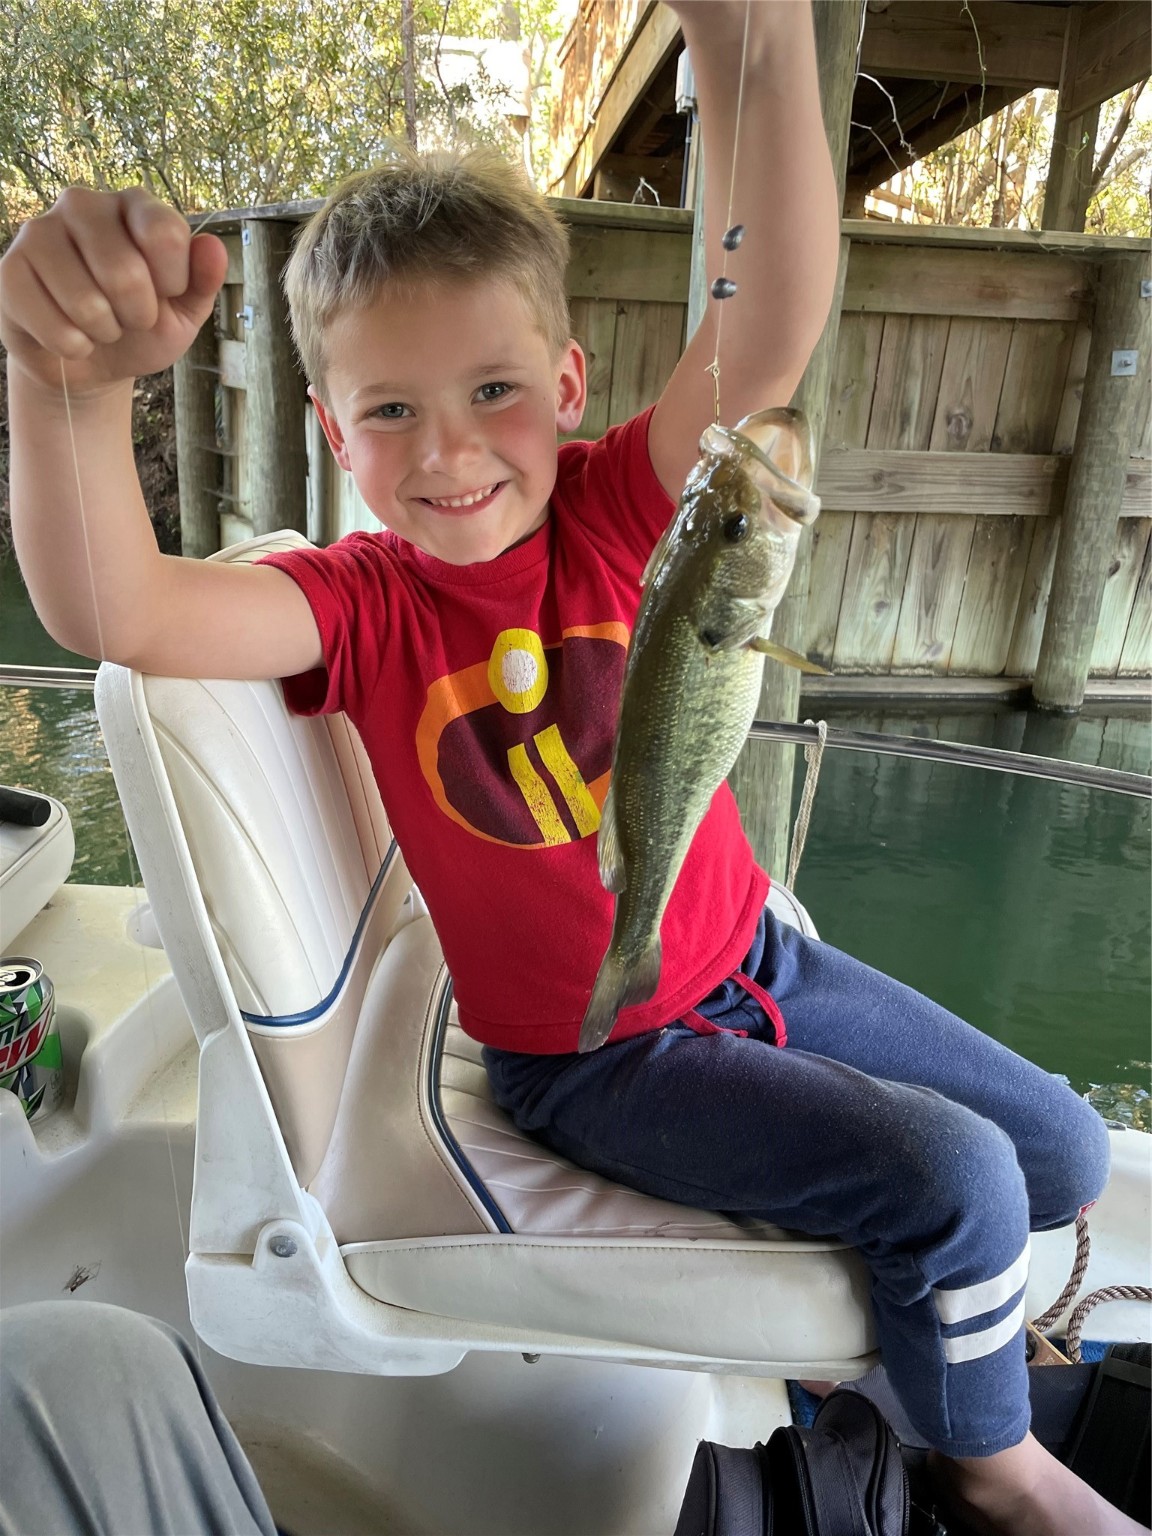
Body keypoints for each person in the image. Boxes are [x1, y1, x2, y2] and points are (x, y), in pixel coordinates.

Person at [0, 4, 1137, 1532]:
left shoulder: (641, 516)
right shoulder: (360, 605)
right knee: (957, 1181)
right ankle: (992, 1466)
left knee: (1063, 1149)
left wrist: (748, 42)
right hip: (595, 1054)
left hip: (752, 963)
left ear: (573, 386)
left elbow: (774, 315)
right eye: (391, 411)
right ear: (334, 431)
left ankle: (921, 1364)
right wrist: (63, 379)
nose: (450, 451)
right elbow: (113, 610)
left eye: (492, 392)